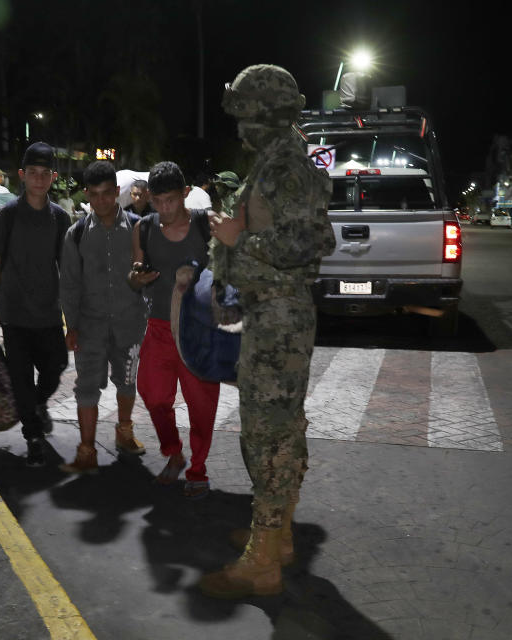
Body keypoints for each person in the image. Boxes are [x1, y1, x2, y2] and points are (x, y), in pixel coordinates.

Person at [198, 64, 336, 599]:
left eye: (245, 115)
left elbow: (308, 243)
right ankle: (274, 539)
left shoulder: (288, 166)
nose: (239, 128)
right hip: (272, 315)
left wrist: (236, 240)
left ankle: (262, 560)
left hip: (280, 319)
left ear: (266, 113)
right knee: (279, 427)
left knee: (268, 433)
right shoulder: (275, 161)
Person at [128, 161, 220, 499]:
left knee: (201, 405)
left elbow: (231, 266)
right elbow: (134, 274)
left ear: (185, 194)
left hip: (197, 330)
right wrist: (136, 279)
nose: (164, 209)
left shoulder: (205, 225)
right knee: (152, 395)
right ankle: (174, 452)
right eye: (158, 201)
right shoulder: (144, 229)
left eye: (171, 200)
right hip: (159, 328)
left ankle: (198, 468)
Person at [0, 142, 72, 467]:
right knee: (20, 379)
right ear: (22, 176)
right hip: (15, 314)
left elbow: (68, 268)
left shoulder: (60, 218)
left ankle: (36, 404)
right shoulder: (7, 215)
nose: (38, 179)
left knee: (57, 366)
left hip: (49, 313)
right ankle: (33, 436)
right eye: (32, 173)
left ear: (53, 177)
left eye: (44, 173)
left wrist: (73, 317)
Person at [57, 160, 147, 474]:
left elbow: (150, 272)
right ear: (87, 194)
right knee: (86, 387)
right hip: (90, 325)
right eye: (94, 195)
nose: (101, 201)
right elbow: (69, 283)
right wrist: (71, 325)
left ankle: (124, 434)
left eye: (107, 193)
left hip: (129, 323)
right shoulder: (77, 232)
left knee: (127, 382)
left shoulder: (138, 227)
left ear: (117, 192)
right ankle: (86, 451)